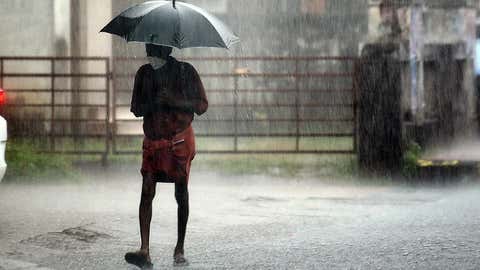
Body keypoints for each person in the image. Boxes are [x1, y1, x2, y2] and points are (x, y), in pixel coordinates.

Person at [125, 43, 208, 269]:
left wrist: (174, 101)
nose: (149, 52)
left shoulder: (185, 72)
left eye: (154, 47)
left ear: (166, 49)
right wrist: (152, 102)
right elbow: (136, 108)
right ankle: (144, 249)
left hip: (179, 139)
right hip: (153, 140)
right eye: (147, 47)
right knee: (146, 190)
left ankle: (179, 248)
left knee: (181, 193)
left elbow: (201, 105)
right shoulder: (144, 74)